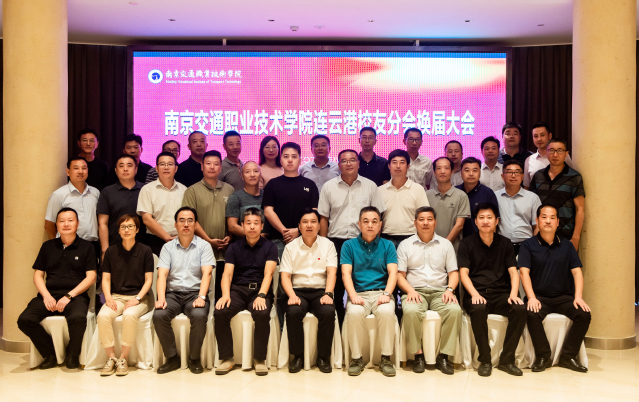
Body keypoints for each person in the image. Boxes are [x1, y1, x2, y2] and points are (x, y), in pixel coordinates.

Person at [17, 208, 97, 370]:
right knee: (25, 320)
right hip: (49, 295)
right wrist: (46, 296)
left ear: (77, 224)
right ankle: (50, 354)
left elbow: (91, 277)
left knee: (77, 318)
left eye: (70, 220)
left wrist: (69, 296)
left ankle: (72, 354)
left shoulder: (87, 247)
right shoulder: (47, 247)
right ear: (57, 225)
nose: (66, 224)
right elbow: (38, 275)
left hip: (75, 296)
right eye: (62, 221)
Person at [519, 204, 591, 373]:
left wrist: (578, 297)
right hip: (539, 296)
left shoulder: (567, 246)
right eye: (544, 217)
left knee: (584, 314)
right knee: (531, 313)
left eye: (552, 218)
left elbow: (577, 272)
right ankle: (543, 356)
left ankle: (568, 356)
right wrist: (531, 297)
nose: (548, 221)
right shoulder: (528, 245)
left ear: (558, 222)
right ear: (537, 220)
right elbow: (523, 273)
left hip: (563, 297)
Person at [318, 149, 387, 326]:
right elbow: (324, 218)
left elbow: (378, 216)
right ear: (338, 164)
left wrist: (375, 243)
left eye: (352, 160)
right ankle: (339, 327)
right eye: (344, 160)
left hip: (363, 242)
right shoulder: (328, 187)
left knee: (361, 282)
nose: (348, 163)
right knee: (337, 286)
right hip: (336, 242)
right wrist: (324, 244)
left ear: (358, 163)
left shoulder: (370, 186)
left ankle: (361, 324)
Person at [458, 203, 526, 377]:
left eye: (489, 217)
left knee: (519, 309)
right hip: (477, 293)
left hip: (501, 294)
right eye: (481, 218)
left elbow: (513, 272)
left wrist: (513, 294)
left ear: (497, 221)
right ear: (475, 221)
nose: (485, 221)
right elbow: (463, 274)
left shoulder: (505, 244)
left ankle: (507, 360)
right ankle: (485, 359)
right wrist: (474, 294)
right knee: (478, 309)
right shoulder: (467, 243)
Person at [397, 207, 461, 375]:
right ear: (415, 223)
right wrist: (410, 291)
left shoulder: (446, 245)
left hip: (441, 291)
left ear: (435, 222)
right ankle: (418, 355)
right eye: (421, 219)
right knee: (411, 311)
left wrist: (450, 290)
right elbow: (399, 275)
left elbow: (454, 273)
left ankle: (444, 356)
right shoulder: (405, 245)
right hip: (414, 291)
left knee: (454, 311)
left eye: (429, 219)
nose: (425, 223)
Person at [214, 208, 278, 376]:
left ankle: (259, 359)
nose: (252, 226)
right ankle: (227, 358)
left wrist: (262, 295)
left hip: (259, 289)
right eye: (248, 223)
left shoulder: (270, 247)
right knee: (220, 311)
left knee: (262, 313)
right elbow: (227, 274)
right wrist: (225, 295)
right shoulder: (234, 247)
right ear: (242, 225)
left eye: (256, 223)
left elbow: (269, 274)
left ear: (262, 226)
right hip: (238, 290)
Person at [153, 207, 215, 374]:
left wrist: (202, 296)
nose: (186, 224)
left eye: (190, 220)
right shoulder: (168, 247)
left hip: (195, 293)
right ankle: (172, 357)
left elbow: (207, 273)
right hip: (172, 294)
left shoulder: (204, 246)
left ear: (195, 224)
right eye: (182, 220)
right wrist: (161, 298)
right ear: (176, 224)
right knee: (159, 315)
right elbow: (162, 275)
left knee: (199, 315)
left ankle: (194, 358)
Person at [280, 209, 338, 373]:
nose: (309, 225)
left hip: (321, 290)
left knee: (328, 312)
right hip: (298, 290)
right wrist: (292, 295)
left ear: (319, 226)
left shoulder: (328, 245)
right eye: (305, 222)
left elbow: (331, 273)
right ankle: (298, 356)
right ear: (299, 226)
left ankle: (323, 357)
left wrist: (328, 293)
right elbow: (285, 276)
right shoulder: (290, 247)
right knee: (293, 312)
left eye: (313, 222)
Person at [342, 207, 398, 377]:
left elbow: (393, 273)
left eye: (374, 221)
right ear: (359, 224)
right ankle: (357, 359)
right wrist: (353, 295)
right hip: (359, 294)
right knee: (354, 313)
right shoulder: (348, 245)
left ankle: (386, 358)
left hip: (382, 293)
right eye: (365, 221)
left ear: (380, 225)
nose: (370, 225)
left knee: (386, 312)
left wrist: (387, 294)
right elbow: (346, 274)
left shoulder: (388, 245)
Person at [97, 215, 153, 376]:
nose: (126, 230)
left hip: (139, 298)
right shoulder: (111, 251)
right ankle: (111, 358)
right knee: (103, 316)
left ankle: (123, 359)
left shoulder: (145, 251)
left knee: (129, 315)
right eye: (123, 227)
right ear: (119, 231)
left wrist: (137, 298)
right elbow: (105, 279)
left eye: (130, 226)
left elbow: (149, 280)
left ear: (137, 229)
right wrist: (108, 297)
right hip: (116, 296)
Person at [181, 150, 234, 303]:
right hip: (199, 249)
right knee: (203, 292)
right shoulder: (192, 190)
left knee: (222, 292)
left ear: (221, 168)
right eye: (208, 163)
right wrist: (208, 240)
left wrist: (230, 236)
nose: (212, 167)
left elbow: (233, 217)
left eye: (216, 164)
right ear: (202, 167)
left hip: (225, 250)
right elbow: (190, 220)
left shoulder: (229, 189)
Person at [262, 142, 320, 259]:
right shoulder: (272, 184)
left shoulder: (310, 184)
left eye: (294, 156)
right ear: (281, 160)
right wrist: (285, 232)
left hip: (305, 239)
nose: (290, 160)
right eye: (286, 156)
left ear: (300, 160)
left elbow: (314, 212)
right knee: (278, 270)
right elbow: (268, 211)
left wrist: (299, 230)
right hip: (278, 239)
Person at [529, 139, 585, 250]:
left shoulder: (574, 177)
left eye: (559, 151)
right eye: (552, 150)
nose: (555, 154)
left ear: (566, 153)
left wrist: (575, 238)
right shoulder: (538, 176)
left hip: (566, 236)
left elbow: (580, 208)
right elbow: (531, 206)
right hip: (541, 236)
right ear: (546, 152)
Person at [136, 151, 187, 255]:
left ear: (176, 168)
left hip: (181, 240)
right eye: (162, 164)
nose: (166, 167)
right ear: (156, 168)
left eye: (170, 164)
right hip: (155, 241)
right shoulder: (147, 189)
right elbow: (147, 219)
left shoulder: (184, 190)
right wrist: (167, 237)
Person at [45, 157, 100, 249]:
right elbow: (49, 224)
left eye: (84, 168)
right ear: (68, 172)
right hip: (69, 245)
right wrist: (58, 246)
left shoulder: (95, 192)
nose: (80, 171)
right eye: (76, 168)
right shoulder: (58, 195)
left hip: (93, 245)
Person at [98, 154, 145, 260]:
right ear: (116, 171)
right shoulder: (107, 192)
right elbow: (102, 223)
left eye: (129, 165)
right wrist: (105, 250)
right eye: (121, 166)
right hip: (115, 246)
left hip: (141, 247)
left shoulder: (145, 190)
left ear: (136, 169)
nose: (125, 169)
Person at [379, 149, 430, 248]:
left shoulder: (418, 189)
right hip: (386, 239)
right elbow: (376, 218)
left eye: (402, 162)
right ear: (389, 166)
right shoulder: (380, 190)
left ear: (408, 166)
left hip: (411, 239)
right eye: (394, 162)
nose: (398, 166)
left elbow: (424, 216)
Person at [495, 160, 542, 255]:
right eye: (509, 172)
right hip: (501, 246)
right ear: (503, 176)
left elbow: (537, 226)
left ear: (522, 176)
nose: (513, 176)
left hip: (527, 246)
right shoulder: (494, 197)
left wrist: (535, 247)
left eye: (517, 172)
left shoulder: (533, 198)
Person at [426, 157, 470, 251]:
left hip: (452, 249)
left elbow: (459, 225)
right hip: (429, 248)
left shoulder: (461, 195)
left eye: (446, 168)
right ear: (434, 172)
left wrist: (444, 245)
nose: (442, 171)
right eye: (439, 168)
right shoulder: (427, 195)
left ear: (452, 171)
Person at [456, 157, 499, 238]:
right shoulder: (455, 192)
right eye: (467, 170)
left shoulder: (488, 193)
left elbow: (493, 222)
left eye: (475, 170)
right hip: (456, 240)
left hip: (480, 241)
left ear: (480, 173)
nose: (471, 174)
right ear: (461, 173)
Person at [523, 122, 573, 189]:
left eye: (542, 135)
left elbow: (573, 179)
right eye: (535, 136)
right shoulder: (529, 160)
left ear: (550, 136)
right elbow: (527, 186)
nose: (539, 139)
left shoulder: (563, 156)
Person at [226, 161, 263, 239]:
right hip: (243, 244)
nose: (252, 175)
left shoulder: (267, 195)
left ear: (260, 174)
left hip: (267, 243)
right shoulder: (235, 197)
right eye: (247, 172)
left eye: (256, 171)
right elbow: (232, 226)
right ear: (242, 176)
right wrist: (256, 236)